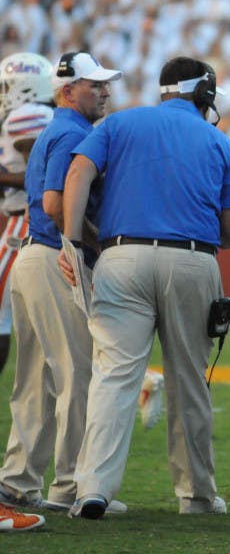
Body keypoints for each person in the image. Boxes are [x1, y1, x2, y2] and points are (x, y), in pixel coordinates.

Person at [59, 56, 230, 519]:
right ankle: (197, 495)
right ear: (204, 92)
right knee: (189, 381)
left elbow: (78, 173)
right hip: (192, 257)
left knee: (114, 376)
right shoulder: (218, 141)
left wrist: (71, 238)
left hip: (120, 255)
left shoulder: (119, 124)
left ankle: (93, 489)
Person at [0, 51, 122, 514]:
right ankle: (70, 484)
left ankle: (18, 480)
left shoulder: (59, 128)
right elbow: (56, 204)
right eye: (95, 85)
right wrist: (96, 244)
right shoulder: (74, 132)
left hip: (32, 255)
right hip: (56, 255)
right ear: (67, 90)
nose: (105, 91)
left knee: (36, 380)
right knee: (78, 374)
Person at [0, 52, 55, 375]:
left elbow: (41, 173)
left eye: (8, 87)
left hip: (26, 222)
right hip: (25, 219)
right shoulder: (38, 113)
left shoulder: (28, 116)